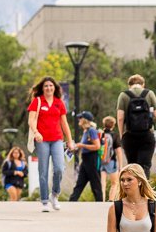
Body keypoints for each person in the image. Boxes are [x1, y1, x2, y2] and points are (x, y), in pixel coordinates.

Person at [26, 77, 74, 212]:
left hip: (57, 139)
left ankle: (54, 194)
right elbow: (31, 120)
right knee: (43, 170)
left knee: (59, 168)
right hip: (42, 140)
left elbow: (64, 123)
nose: (48, 88)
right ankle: (45, 201)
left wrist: (69, 140)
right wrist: (36, 132)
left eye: (51, 86)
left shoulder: (59, 103)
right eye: (46, 86)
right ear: (42, 88)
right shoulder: (37, 101)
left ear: (55, 88)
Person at [116, 74, 156, 177]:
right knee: (145, 166)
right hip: (147, 134)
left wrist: (121, 135)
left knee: (132, 167)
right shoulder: (149, 93)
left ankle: (134, 192)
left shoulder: (123, 95)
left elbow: (120, 118)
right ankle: (144, 191)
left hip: (129, 135)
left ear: (129, 85)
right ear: (143, 84)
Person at [68, 113, 104, 202]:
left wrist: (82, 145)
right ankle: (71, 201)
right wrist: (75, 147)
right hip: (85, 159)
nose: (79, 120)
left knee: (95, 185)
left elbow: (97, 146)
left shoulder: (91, 131)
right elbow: (84, 145)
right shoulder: (86, 131)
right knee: (79, 184)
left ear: (85, 120)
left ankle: (100, 203)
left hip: (92, 159)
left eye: (80, 118)